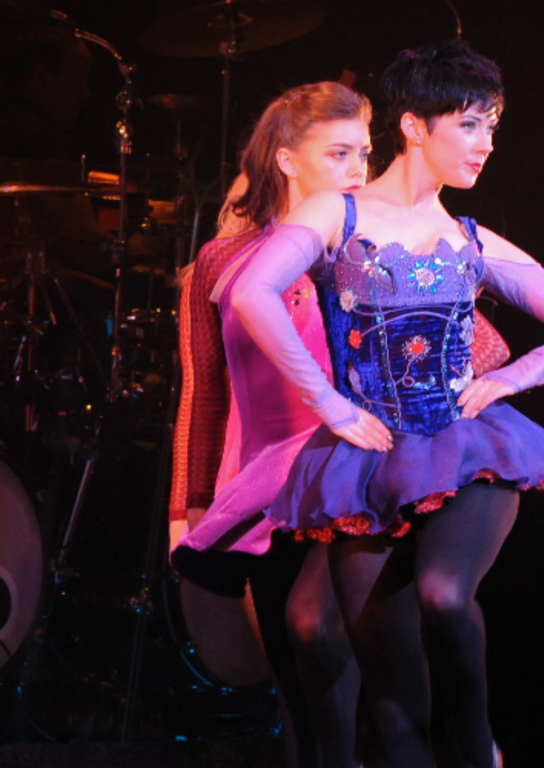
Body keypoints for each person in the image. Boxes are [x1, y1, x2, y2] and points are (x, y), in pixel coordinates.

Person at [210, 41, 544, 768]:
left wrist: (513, 377)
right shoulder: (335, 214)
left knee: (440, 593)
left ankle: (477, 746)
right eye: (470, 124)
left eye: (493, 127)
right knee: (394, 700)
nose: (486, 144)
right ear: (412, 126)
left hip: (465, 450)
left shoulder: (472, 240)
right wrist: (329, 403)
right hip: (366, 464)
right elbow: (250, 293)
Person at [169, 80, 512, 767]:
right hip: (267, 493)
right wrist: (190, 506)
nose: (359, 170)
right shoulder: (221, 261)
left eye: (364, 152)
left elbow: (484, 343)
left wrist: (422, 396)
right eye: (339, 153)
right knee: (301, 698)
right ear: (287, 161)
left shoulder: (366, 249)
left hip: (355, 479)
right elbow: (205, 393)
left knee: (341, 646)